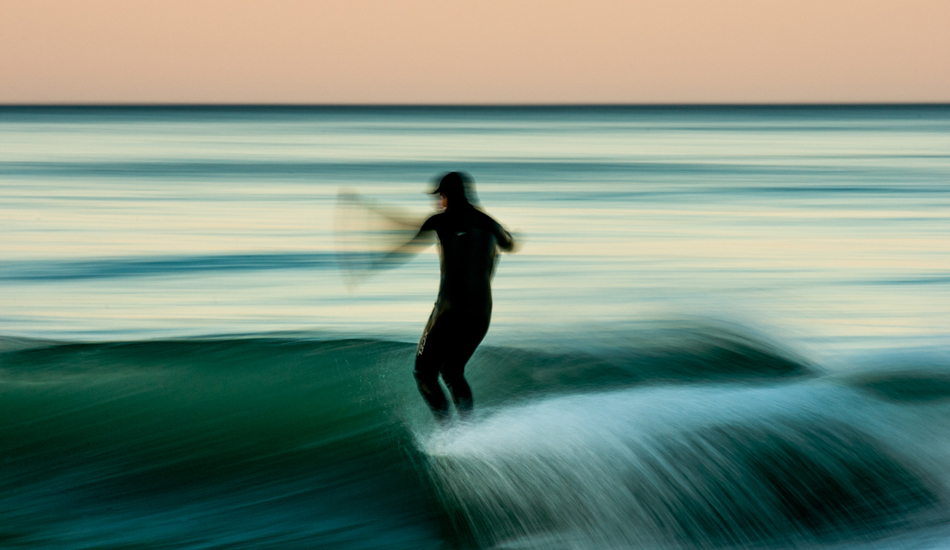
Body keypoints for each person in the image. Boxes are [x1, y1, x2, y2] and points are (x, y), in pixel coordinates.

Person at [394, 172, 516, 422]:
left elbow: (408, 243)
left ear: (448, 196)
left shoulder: (441, 221)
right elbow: (510, 244)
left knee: (424, 373)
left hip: (449, 310)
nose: (439, 202)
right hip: (481, 314)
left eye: (441, 197)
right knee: (452, 370)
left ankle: (448, 432)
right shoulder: (490, 224)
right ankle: (468, 432)